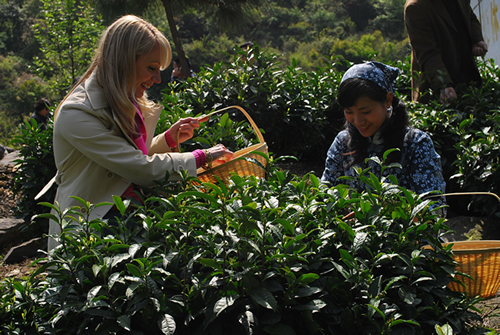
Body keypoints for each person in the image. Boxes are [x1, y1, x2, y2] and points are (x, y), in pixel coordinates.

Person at [43, 15, 234, 250]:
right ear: (123, 61)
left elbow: (125, 158)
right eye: (151, 68)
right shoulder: (77, 113)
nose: (157, 78)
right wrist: (199, 157)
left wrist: (167, 139)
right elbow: (137, 168)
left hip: (129, 217)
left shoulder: (126, 100)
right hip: (90, 231)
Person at [321, 62, 446, 207]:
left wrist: (387, 211)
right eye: (349, 112)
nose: (358, 121)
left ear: (388, 100)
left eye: (366, 112)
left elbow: (435, 206)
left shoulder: (415, 143)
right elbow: (325, 195)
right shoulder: (343, 143)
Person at [404, 0, 488, 103]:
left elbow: (469, 16)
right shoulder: (416, 7)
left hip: (468, 83)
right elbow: (428, 54)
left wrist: (476, 40)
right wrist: (444, 85)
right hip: (436, 93)